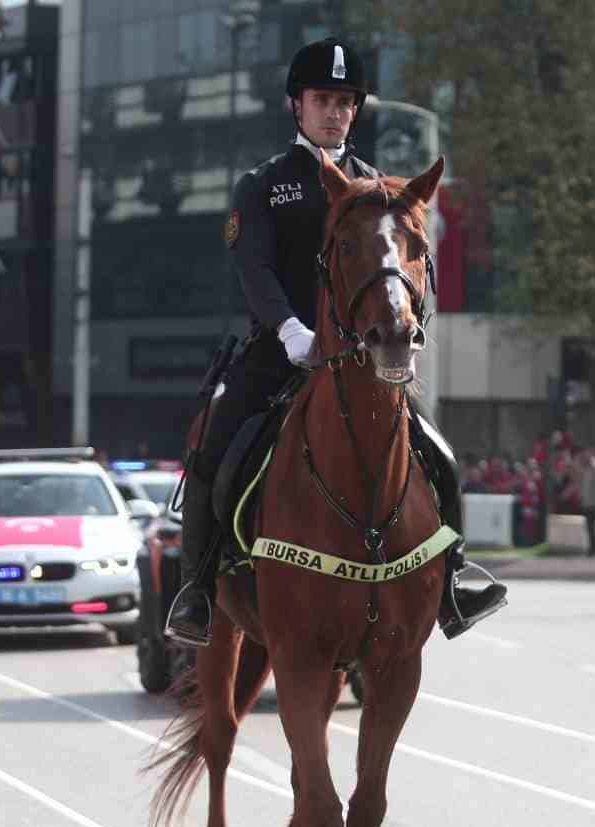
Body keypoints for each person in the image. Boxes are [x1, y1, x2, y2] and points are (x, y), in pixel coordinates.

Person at [163, 37, 506, 647]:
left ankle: (452, 580)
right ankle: (197, 592)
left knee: (440, 458)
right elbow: (254, 269)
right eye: (322, 99)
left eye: (345, 102)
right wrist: (291, 330)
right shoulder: (264, 185)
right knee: (214, 452)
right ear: (296, 105)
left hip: (363, 358)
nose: (335, 112)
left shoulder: (380, 189)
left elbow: (406, 266)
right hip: (279, 353)